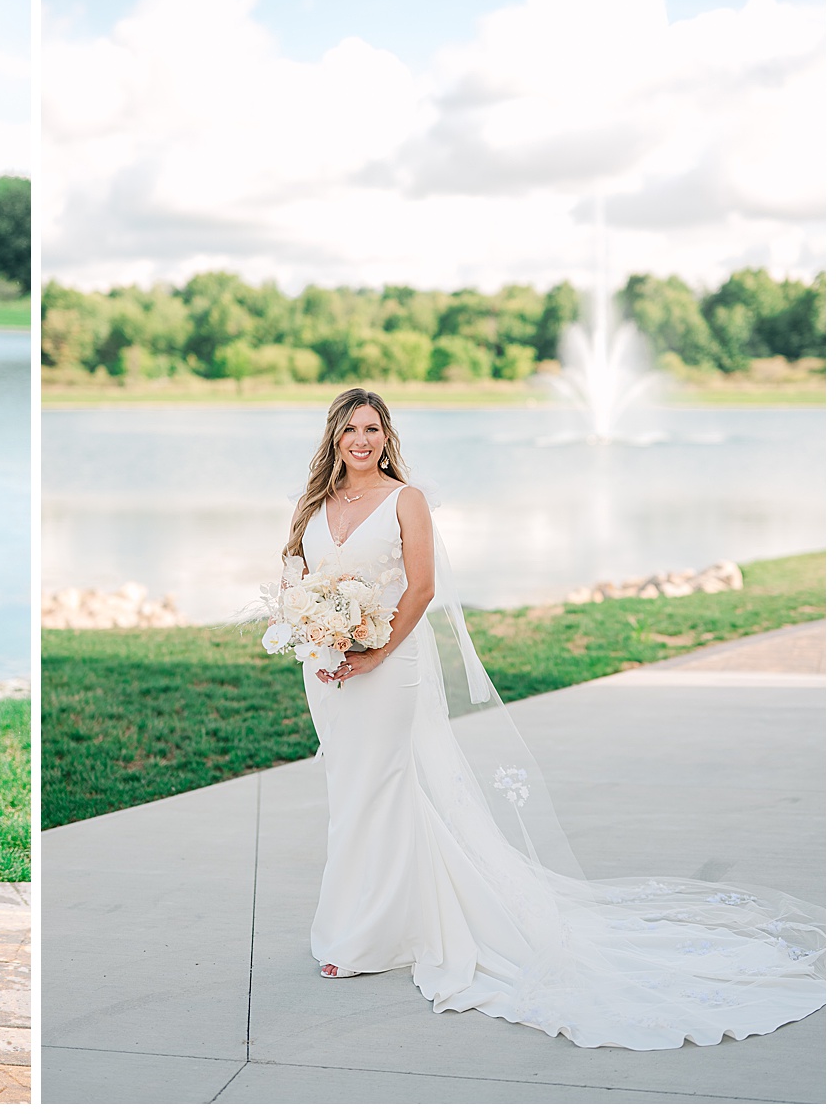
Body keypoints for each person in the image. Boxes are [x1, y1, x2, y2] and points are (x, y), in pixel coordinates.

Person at [282, 387, 824, 1049]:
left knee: (381, 788)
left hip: (391, 665)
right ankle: (381, 919)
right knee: (351, 792)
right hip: (329, 670)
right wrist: (314, 628)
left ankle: (357, 935)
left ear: (387, 437)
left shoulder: (406, 500)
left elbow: (420, 588)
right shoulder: (315, 502)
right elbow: (296, 570)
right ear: (334, 437)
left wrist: (374, 650)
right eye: (350, 429)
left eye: (373, 428)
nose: (361, 440)